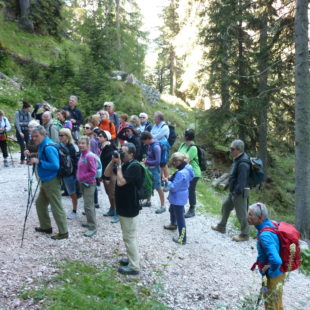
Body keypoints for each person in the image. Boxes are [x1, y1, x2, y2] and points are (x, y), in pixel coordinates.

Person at [104, 143, 144, 275]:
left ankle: (134, 267)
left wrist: (119, 165)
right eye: (121, 151)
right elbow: (106, 173)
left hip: (130, 206)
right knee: (127, 235)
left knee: (129, 237)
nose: (121, 154)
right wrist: (113, 160)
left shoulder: (134, 166)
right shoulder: (124, 164)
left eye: (124, 152)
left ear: (132, 154)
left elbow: (121, 182)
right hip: (123, 205)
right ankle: (132, 258)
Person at [29, 125, 68, 240]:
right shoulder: (42, 145)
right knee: (40, 203)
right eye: (33, 136)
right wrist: (34, 156)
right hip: (45, 180)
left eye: (36, 136)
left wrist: (39, 162)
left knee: (56, 206)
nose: (34, 138)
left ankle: (64, 232)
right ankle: (46, 227)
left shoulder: (48, 147)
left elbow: (55, 165)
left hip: (52, 181)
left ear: (44, 135)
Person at [247, 202, 285, 310]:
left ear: (260, 218)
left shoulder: (265, 235)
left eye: (250, 214)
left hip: (273, 276)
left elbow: (276, 260)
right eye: (248, 213)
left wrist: (269, 268)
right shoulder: (270, 224)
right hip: (279, 273)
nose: (247, 216)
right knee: (277, 302)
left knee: (270, 304)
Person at [211, 139, 251, 242]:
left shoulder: (243, 163)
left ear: (239, 150)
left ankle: (245, 235)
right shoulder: (238, 159)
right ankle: (221, 226)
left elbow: (242, 181)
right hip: (234, 191)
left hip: (239, 193)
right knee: (226, 206)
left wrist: (235, 192)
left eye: (232, 149)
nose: (230, 151)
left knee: (241, 214)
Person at [163, 152, 194, 245]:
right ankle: (173, 224)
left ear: (179, 161)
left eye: (174, 162)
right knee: (171, 210)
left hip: (178, 197)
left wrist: (167, 181)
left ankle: (182, 238)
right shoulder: (188, 168)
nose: (173, 164)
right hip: (181, 195)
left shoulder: (181, 173)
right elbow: (190, 178)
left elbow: (173, 187)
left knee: (180, 218)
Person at [140, 131, 166, 214]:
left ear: (148, 139)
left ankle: (163, 206)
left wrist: (147, 162)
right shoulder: (150, 145)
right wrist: (146, 160)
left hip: (155, 170)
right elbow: (150, 156)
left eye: (144, 141)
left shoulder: (156, 147)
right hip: (150, 168)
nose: (144, 143)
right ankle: (148, 201)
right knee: (149, 184)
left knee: (158, 187)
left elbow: (157, 161)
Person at [76, 136, 98, 237]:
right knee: (88, 204)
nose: (80, 145)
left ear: (88, 145)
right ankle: (90, 222)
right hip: (84, 183)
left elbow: (93, 172)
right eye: (79, 143)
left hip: (89, 184)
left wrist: (82, 177)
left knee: (89, 206)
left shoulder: (89, 156)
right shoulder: (82, 154)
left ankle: (93, 227)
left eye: (83, 143)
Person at [178, 129, 201, 218]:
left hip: (193, 173)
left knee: (190, 190)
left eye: (184, 134)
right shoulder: (183, 144)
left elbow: (186, 160)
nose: (183, 135)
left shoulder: (193, 148)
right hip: (184, 171)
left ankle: (192, 210)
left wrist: (178, 159)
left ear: (186, 136)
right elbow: (178, 155)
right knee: (181, 188)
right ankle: (181, 207)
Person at [97, 130, 118, 223]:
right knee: (108, 193)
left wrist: (108, 178)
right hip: (105, 174)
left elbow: (111, 164)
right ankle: (112, 209)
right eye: (98, 136)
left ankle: (118, 213)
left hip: (111, 174)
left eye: (100, 136)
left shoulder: (111, 149)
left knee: (113, 193)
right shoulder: (103, 147)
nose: (98, 137)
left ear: (106, 138)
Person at [58, 128, 79, 220]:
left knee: (72, 192)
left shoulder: (72, 147)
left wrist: (75, 174)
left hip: (70, 173)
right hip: (62, 172)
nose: (60, 137)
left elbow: (76, 162)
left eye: (62, 135)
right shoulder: (59, 146)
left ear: (67, 136)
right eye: (59, 135)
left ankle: (74, 210)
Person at [151, 111, 170, 184]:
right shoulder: (154, 126)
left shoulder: (165, 127)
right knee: (159, 163)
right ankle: (161, 179)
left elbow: (157, 136)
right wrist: (153, 135)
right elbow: (151, 134)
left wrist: (153, 135)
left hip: (163, 147)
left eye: (155, 117)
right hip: (156, 146)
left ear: (159, 118)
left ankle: (167, 181)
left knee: (163, 163)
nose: (153, 119)